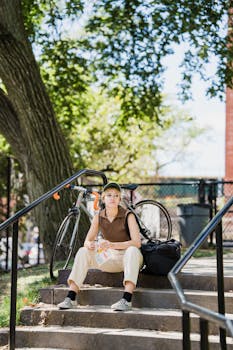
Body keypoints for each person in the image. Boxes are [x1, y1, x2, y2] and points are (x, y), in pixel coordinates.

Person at [57, 182, 143, 311]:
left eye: (116, 195)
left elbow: (137, 242)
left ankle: (126, 299)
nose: (112, 198)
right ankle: (71, 297)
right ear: (103, 198)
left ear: (120, 199)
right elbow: (87, 241)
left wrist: (112, 244)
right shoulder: (98, 217)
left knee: (132, 250)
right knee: (83, 251)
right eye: (109, 195)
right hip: (109, 258)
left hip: (128, 258)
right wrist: (91, 244)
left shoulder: (128, 215)